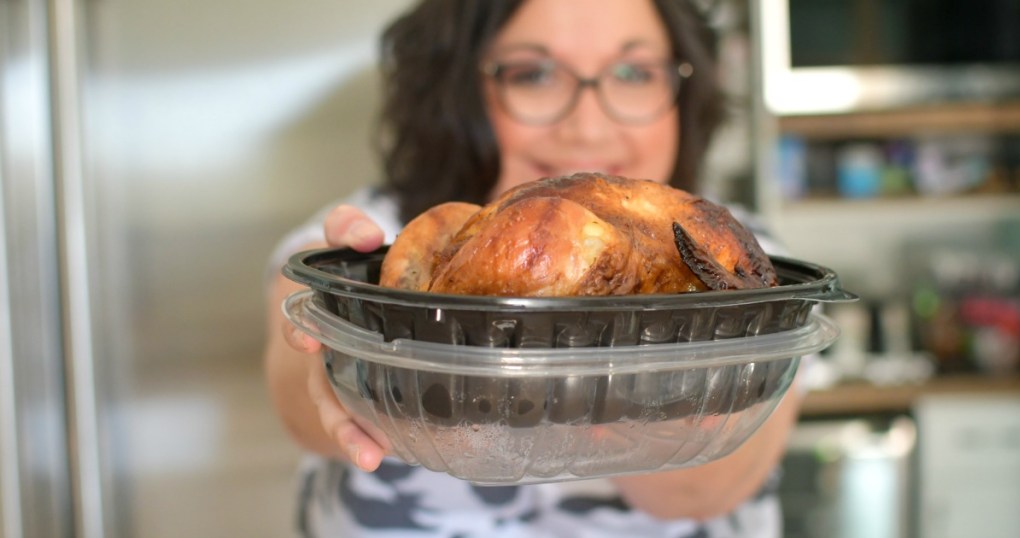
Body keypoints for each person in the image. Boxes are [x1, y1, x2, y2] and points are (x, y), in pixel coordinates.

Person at [264, 0, 800, 536]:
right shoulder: (372, 237)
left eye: (634, 73)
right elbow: (296, 401)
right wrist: (353, 351)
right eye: (534, 74)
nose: (587, 128)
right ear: (457, 90)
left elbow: (701, 490)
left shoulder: (729, 258)